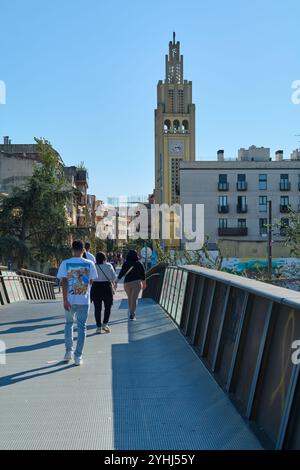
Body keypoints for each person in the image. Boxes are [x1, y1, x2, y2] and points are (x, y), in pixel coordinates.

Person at [57, 240, 98, 366]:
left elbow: (63, 281)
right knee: (82, 327)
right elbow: (91, 281)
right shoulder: (90, 263)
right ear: (83, 250)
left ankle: (68, 351)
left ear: (72, 250)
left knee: (69, 324)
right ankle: (78, 357)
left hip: (69, 299)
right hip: (84, 300)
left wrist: (65, 299)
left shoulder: (65, 263)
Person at [91, 252, 117, 334]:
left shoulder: (93, 266)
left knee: (97, 308)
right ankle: (105, 324)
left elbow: (90, 278)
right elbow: (113, 277)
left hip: (96, 287)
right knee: (108, 307)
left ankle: (98, 327)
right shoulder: (109, 266)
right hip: (106, 287)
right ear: (104, 258)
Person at [117, 249, 146, 321]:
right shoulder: (139, 264)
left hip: (127, 283)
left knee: (130, 298)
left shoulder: (125, 263)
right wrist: (144, 284)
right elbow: (143, 275)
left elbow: (121, 273)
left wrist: (116, 281)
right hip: (136, 283)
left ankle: (131, 312)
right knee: (134, 298)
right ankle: (132, 314)